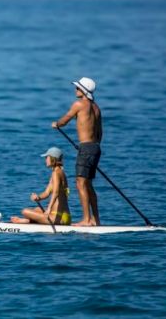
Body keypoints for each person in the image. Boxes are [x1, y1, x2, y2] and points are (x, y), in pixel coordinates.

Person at [52, 77, 102, 226]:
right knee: (88, 184)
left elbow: (64, 120)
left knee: (80, 183)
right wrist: (92, 147)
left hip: (86, 148)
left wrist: (56, 124)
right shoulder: (96, 108)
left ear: (84, 91)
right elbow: (100, 133)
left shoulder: (79, 104)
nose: (75, 90)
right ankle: (95, 220)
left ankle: (86, 220)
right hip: (96, 147)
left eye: (78, 88)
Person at [11, 147, 71, 225]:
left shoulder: (56, 173)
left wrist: (49, 209)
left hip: (58, 218)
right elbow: (46, 193)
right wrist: (38, 197)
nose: (45, 160)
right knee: (36, 209)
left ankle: (26, 221)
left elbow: (55, 193)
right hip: (64, 216)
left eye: (47, 157)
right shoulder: (58, 171)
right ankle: (28, 221)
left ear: (53, 158)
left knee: (25, 211)